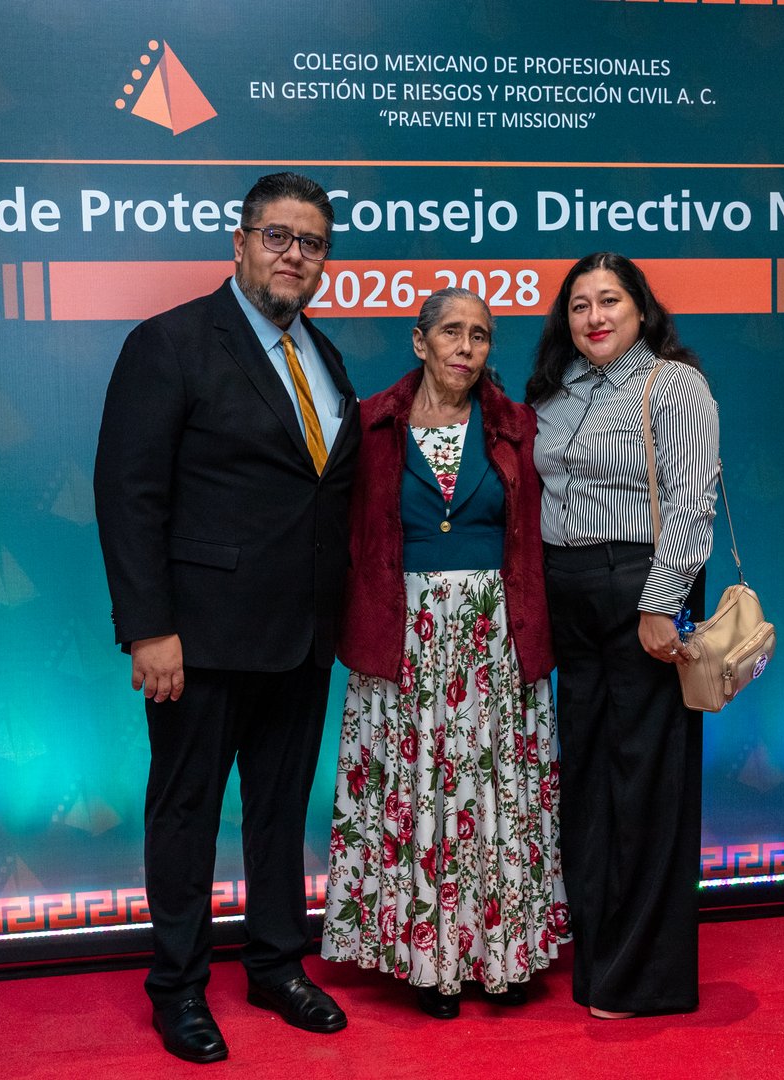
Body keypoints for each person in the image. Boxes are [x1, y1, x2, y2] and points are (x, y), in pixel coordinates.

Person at [93, 172, 359, 1064]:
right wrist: (148, 628)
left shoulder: (323, 355)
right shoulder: (168, 343)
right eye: (277, 236)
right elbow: (128, 494)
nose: (294, 255)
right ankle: (177, 987)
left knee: (280, 813)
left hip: (302, 637)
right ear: (240, 243)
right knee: (187, 814)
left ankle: (276, 965)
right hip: (198, 640)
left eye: (311, 243)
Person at [322, 288, 566, 1020]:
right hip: (400, 634)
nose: (466, 346)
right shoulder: (370, 423)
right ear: (419, 340)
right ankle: (427, 960)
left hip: (496, 635)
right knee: (417, 787)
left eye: (480, 335)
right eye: (452, 331)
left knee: (493, 792)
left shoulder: (518, 425)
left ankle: (502, 951)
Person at [525, 252, 719, 1019]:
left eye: (609, 301)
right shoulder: (554, 390)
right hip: (569, 599)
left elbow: (692, 504)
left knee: (645, 780)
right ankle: (597, 956)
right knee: (586, 779)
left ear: (640, 309)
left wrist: (659, 604)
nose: (594, 316)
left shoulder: (673, 385)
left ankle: (644, 979)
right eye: (579, 305)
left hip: (642, 588)